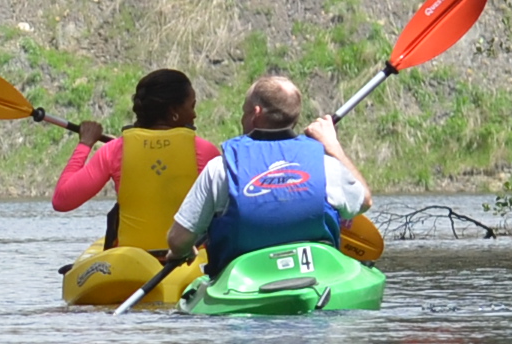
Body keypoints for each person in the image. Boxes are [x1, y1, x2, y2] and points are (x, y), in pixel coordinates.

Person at [157, 74, 369, 275]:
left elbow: (178, 239)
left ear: (256, 113)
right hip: (317, 277)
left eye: (244, 111)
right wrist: (333, 146)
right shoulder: (326, 165)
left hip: (241, 284)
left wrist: (181, 251)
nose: (242, 118)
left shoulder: (221, 168)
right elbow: (364, 202)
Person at [52, 66, 219, 259]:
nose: (194, 115)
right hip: (187, 263)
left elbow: (62, 200)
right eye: (191, 106)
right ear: (174, 111)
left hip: (132, 265)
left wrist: (85, 143)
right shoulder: (205, 151)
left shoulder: (114, 150)